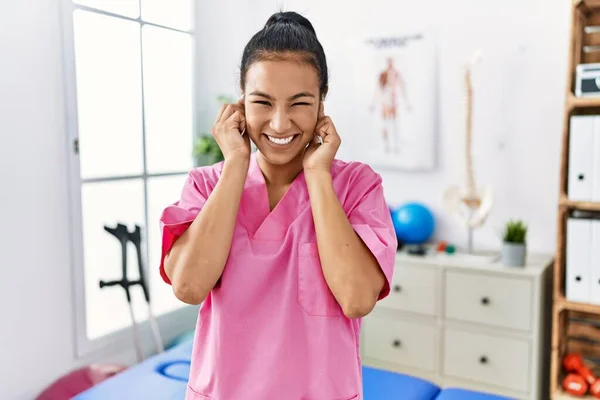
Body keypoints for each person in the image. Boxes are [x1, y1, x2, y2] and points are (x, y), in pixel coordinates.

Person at [159, 11, 397, 399]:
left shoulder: (356, 186)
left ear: (322, 105)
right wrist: (235, 163)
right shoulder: (205, 185)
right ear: (241, 103)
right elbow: (188, 286)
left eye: (300, 103)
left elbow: (356, 298)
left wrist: (318, 174)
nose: (281, 123)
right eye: (263, 102)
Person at [371, 56, 411, 154]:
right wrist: (374, 103)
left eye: (391, 62)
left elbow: (402, 87)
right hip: (385, 102)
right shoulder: (383, 74)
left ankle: (395, 146)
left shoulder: (396, 74)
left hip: (393, 102)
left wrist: (406, 103)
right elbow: (377, 89)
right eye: (389, 62)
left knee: (395, 124)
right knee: (385, 125)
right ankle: (386, 146)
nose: (390, 64)